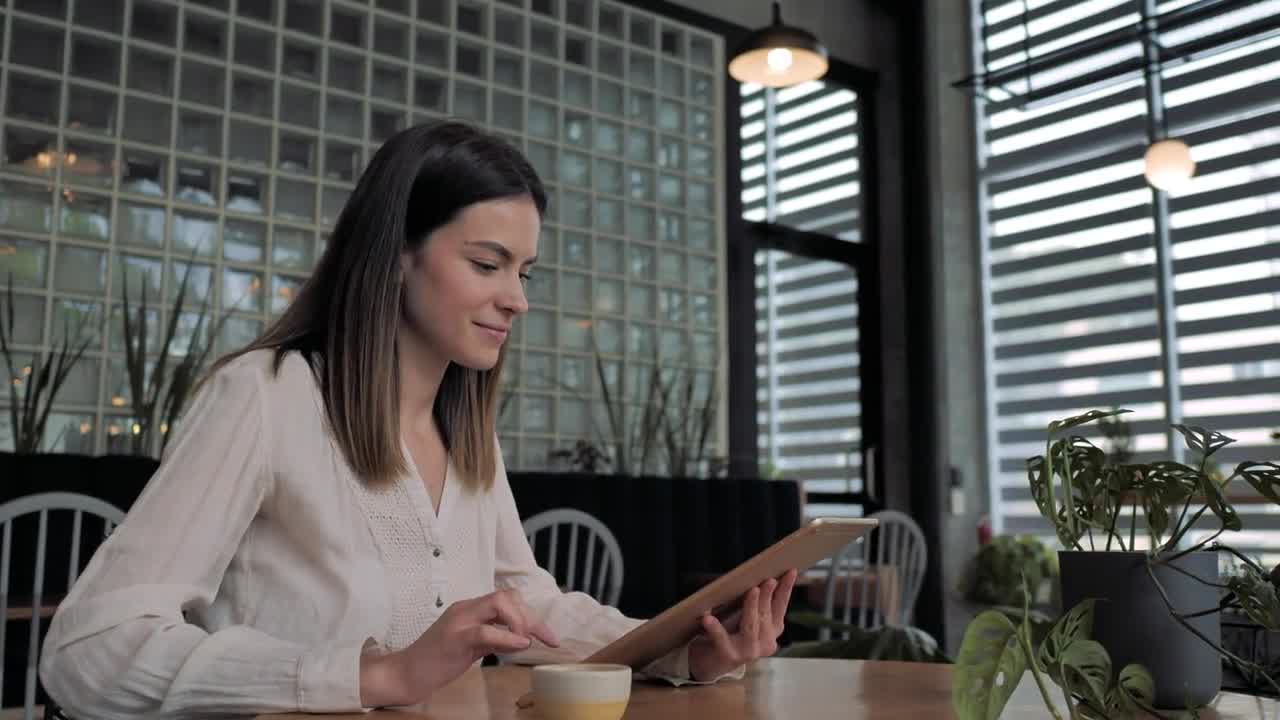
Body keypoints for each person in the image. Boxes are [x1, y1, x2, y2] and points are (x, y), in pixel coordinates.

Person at [39, 121, 798, 718]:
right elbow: (89, 651)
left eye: (524, 272)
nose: (517, 299)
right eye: (487, 264)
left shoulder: (464, 430)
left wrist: (685, 648)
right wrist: (378, 675)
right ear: (398, 253)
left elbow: (527, 609)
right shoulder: (266, 396)